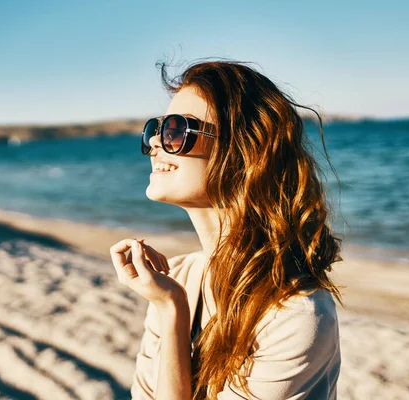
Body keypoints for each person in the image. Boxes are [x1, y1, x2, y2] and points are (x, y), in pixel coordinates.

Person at [110, 59, 343, 400]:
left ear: (244, 152)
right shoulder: (178, 277)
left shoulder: (296, 316)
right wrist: (170, 304)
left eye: (177, 130)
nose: (156, 143)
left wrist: (173, 311)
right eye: (154, 130)